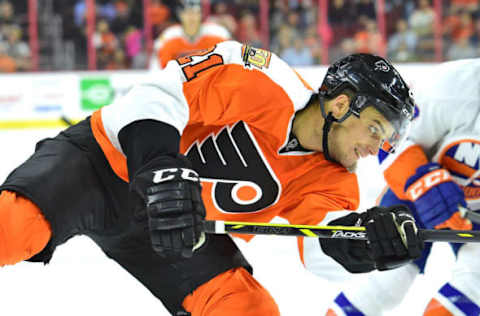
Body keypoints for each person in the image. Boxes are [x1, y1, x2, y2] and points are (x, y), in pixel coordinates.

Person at [0, 40, 423, 316]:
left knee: (245, 308)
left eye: (385, 140)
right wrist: (160, 168)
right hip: (99, 166)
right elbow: (155, 96)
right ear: (340, 105)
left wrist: (361, 243)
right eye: (375, 129)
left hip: (175, 229)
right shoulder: (260, 77)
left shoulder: (334, 183)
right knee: (14, 228)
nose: (377, 148)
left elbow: (318, 243)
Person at [326, 58, 480, 316]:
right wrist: (422, 183)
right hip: (414, 194)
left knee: (473, 284)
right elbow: (389, 140)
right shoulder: (453, 87)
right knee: (388, 279)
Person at [149, 0, 230, 70]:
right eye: (188, 13)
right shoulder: (169, 36)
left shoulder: (217, 33)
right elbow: (160, 67)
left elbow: (229, 61)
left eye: (195, 13)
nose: (191, 18)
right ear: (181, 15)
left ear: (201, 15)